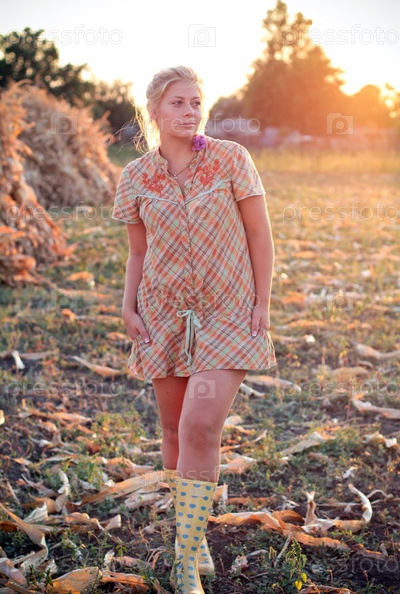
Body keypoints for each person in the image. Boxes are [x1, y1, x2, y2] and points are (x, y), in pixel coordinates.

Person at [112, 65, 277, 594]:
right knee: (171, 430)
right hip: (161, 313)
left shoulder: (231, 159)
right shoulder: (135, 177)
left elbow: (260, 235)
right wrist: (128, 307)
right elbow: (138, 252)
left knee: (200, 428)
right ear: (154, 111)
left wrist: (262, 302)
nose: (190, 111)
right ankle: (194, 535)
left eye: (196, 102)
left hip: (228, 311)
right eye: (178, 103)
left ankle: (183, 564)